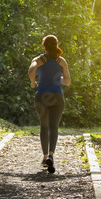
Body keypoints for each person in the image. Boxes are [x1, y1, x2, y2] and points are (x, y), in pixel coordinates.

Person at [28, 35, 71, 173]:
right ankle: (51, 155)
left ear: (44, 46)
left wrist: (33, 82)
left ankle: (45, 156)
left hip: (41, 97)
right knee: (54, 127)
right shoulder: (61, 61)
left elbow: (31, 70)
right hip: (57, 96)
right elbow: (68, 82)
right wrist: (59, 78)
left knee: (44, 126)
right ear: (56, 45)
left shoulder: (39, 60)